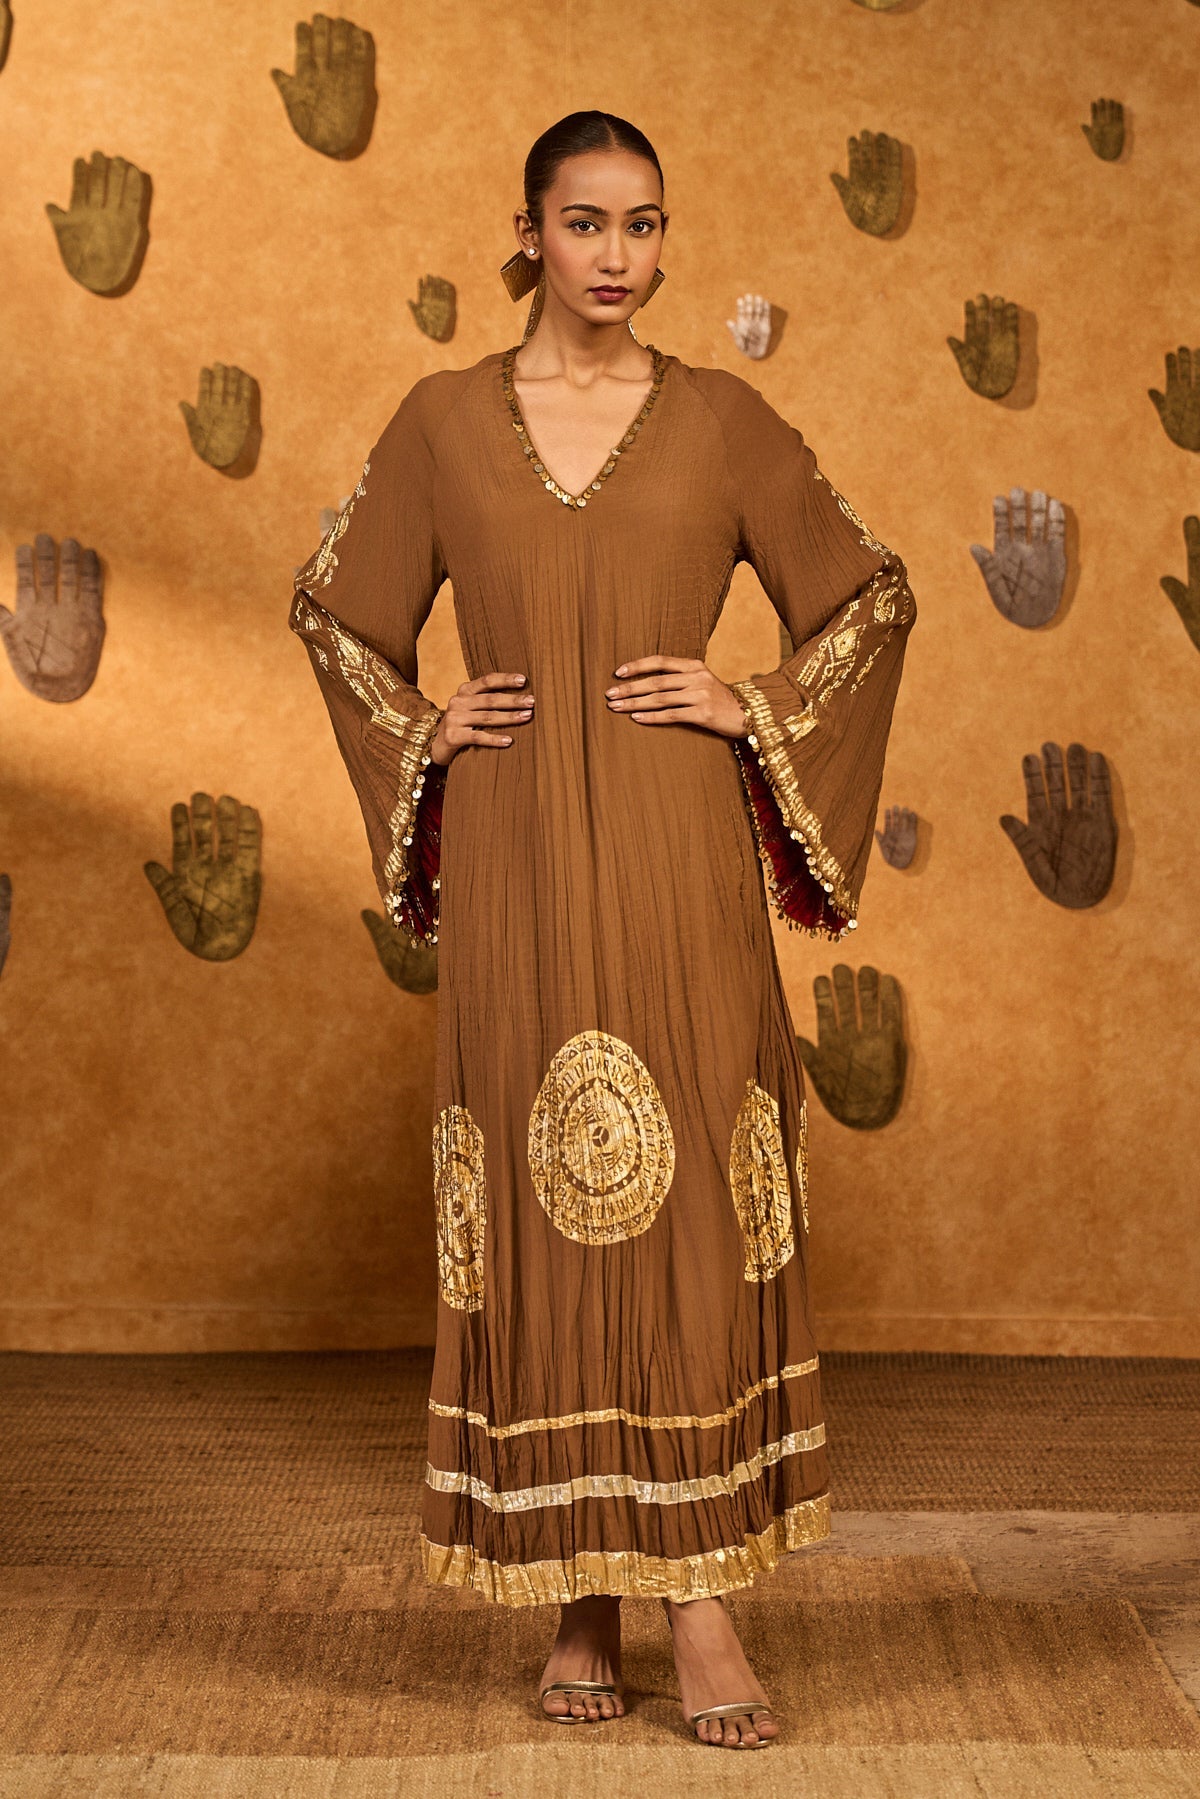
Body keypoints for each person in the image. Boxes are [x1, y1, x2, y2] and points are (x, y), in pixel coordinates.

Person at [289, 109, 916, 1751]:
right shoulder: (443, 422)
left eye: (643, 224)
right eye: (585, 223)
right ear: (529, 233)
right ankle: (578, 1593)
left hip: (672, 850)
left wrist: (748, 702)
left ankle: (696, 1598)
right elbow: (336, 611)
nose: (617, 256)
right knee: (542, 1201)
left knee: (689, 1198)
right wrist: (425, 727)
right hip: (515, 857)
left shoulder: (720, 423)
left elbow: (868, 595)